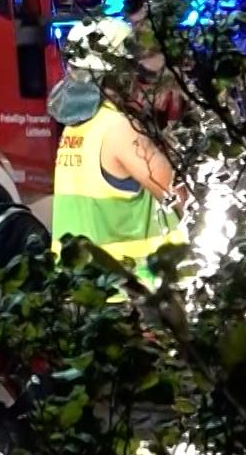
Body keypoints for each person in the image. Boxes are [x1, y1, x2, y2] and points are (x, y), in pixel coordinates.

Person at [49, 18, 185, 288]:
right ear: (121, 75)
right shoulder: (120, 128)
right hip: (129, 298)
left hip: (84, 294)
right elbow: (177, 194)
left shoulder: (79, 126)